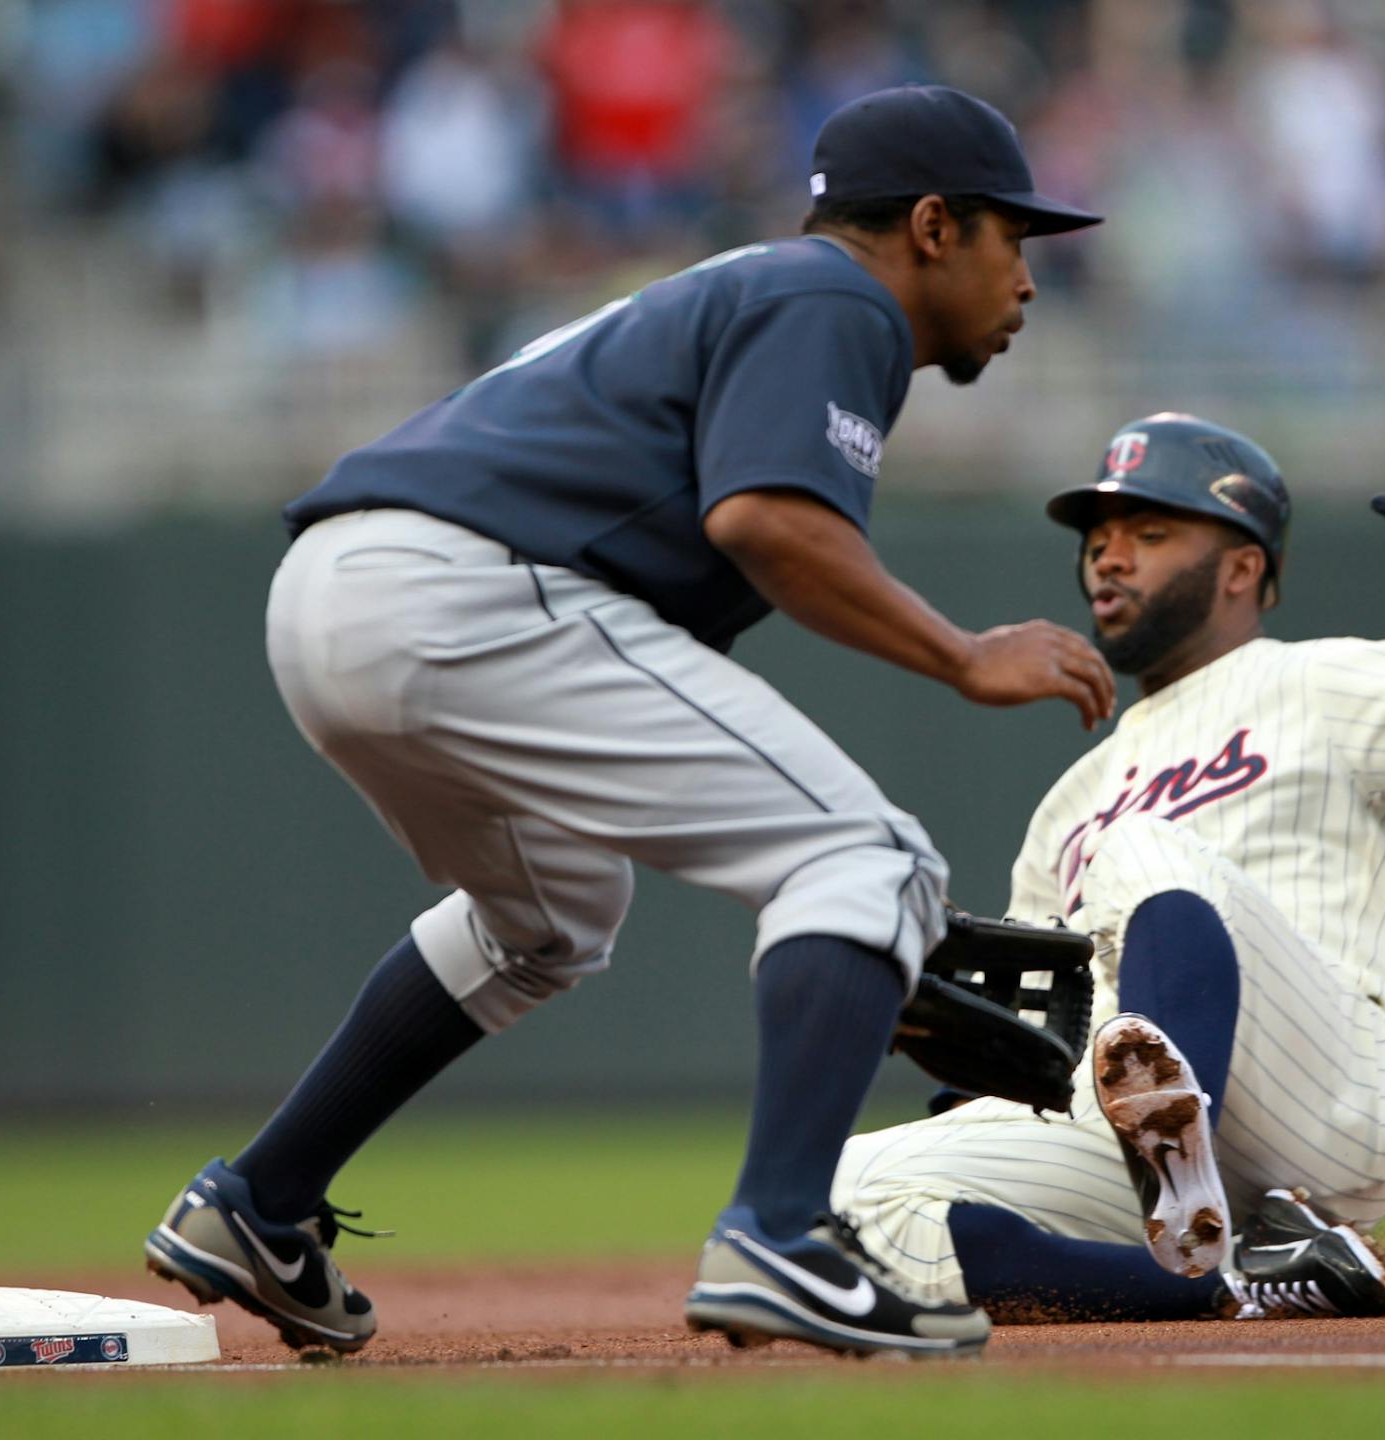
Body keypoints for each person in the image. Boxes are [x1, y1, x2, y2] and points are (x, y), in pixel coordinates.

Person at [142, 85, 1111, 1359]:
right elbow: (768, 524)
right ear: (933, 225)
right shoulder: (835, 298)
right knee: (866, 859)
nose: (1028, 279)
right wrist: (965, 656)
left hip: (344, 599)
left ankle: (259, 1205)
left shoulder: (758, 292)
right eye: (1013, 237)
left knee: (551, 918)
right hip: (465, 594)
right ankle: (781, 1233)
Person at [829, 390, 1385, 1321]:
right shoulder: (1068, 804)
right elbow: (1046, 1046)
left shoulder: (1318, 682)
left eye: (1148, 530)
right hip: (1121, 1139)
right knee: (828, 1198)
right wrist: (963, 1068)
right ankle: (1227, 1282)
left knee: (1145, 849)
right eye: (1100, 534)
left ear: (1242, 566)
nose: (1108, 552)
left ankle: (1184, 1176)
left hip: (1324, 1092)